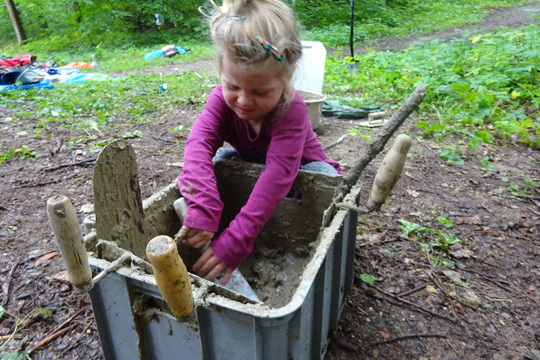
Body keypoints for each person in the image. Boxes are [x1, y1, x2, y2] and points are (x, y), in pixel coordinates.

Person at [177, 0, 342, 285]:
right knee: (220, 162)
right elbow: (198, 145)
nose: (243, 100)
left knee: (325, 178)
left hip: (297, 182)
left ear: (286, 80)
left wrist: (236, 240)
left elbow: (278, 175)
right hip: (256, 172)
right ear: (221, 72)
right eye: (232, 86)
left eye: (261, 91)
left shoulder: (291, 109)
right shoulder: (220, 101)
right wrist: (203, 206)